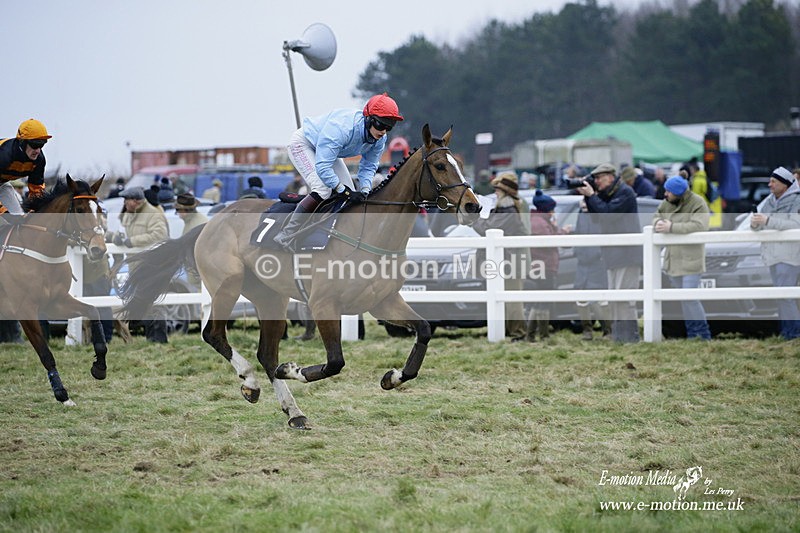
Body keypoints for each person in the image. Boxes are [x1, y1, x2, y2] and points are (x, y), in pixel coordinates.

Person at [273, 92, 404, 251]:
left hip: (328, 152)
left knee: (352, 194)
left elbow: (368, 167)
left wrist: (365, 191)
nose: (383, 131)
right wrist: (344, 191)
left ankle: (338, 235)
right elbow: (323, 167)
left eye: (389, 127)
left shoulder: (380, 139)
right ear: (369, 119)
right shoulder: (342, 128)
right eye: (381, 125)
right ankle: (286, 233)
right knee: (324, 189)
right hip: (304, 145)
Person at [576, 163, 642, 343]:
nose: (597, 181)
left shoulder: (625, 193)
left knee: (625, 299)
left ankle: (630, 338)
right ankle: (620, 337)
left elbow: (608, 213)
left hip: (627, 254)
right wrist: (589, 197)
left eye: (599, 178)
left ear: (611, 177)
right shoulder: (608, 194)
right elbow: (596, 217)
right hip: (613, 255)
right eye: (595, 178)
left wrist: (592, 196)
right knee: (614, 299)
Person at [472, 171, 529, 342]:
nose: (495, 192)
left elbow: (487, 229)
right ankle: (507, 331)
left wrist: (474, 218)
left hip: (510, 261)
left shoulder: (508, 210)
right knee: (504, 299)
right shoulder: (506, 207)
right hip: (506, 260)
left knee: (512, 300)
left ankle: (518, 333)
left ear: (505, 192)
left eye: (498, 189)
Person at [108, 186, 170, 343]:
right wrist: (117, 238)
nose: (124, 203)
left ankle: (159, 339)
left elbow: (160, 235)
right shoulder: (128, 215)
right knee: (144, 303)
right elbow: (124, 233)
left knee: (155, 303)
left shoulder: (153, 214)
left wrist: (132, 241)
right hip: (136, 267)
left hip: (152, 266)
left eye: (126, 200)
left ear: (136, 201)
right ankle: (151, 339)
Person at [653, 176, 712, 340]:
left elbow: (700, 225)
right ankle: (693, 334)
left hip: (692, 259)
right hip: (673, 259)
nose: (665, 194)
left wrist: (671, 227)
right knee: (684, 299)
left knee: (690, 298)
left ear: (678, 193)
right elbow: (656, 216)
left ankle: (703, 334)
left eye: (668, 191)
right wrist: (658, 224)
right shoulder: (666, 203)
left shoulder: (698, 203)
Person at [750, 166, 800, 340]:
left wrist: (767, 221)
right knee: (781, 296)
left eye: (773, 181)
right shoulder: (770, 200)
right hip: (772, 255)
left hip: (790, 256)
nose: (769, 184)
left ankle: (793, 334)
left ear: (785, 184)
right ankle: (786, 333)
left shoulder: (797, 200)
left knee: (785, 296)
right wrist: (755, 224)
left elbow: (795, 225)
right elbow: (760, 223)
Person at [526, 190, 567, 342]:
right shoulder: (540, 223)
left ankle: (532, 334)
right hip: (544, 266)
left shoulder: (536, 220)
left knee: (538, 301)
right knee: (543, 301)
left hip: (539, 266)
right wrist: (562, 232)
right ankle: (542, 334)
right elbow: (550, 242)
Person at [574, 197, 612, 340]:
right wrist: (577, 252)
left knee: (600, 298)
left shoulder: (600, 214)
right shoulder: (580, 215)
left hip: (598, 262)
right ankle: (587, 330)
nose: (583, 204)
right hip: (582, 262)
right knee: (581, 297)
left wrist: (599, 254)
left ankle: (608, 330)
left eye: (586, 201)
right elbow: (578, 233)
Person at [0, 119, 50, 218]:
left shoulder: (39, 160)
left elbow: (36, 190)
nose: (38, 151)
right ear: (22, 142)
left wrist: (34, 208)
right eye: (35, 145)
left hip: (2, 185)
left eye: (41, 145)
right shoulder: (4, 155)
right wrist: (4, 212)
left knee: (19, 217)